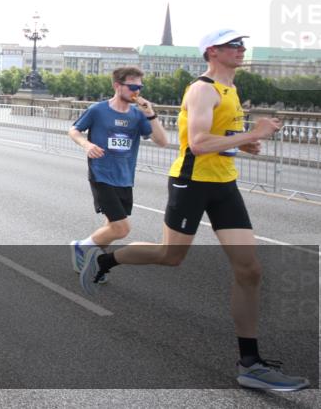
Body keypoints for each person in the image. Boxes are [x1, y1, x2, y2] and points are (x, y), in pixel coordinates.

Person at [79, 29, 308, 392]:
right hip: (191, 183)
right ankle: (105, 261)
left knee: (250, 269)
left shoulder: (231, 90)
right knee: (171, 256)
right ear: (213, 52)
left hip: (224, 184)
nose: (241, 49)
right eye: (234, 45)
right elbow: (198, 144)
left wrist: (241, 146)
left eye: (241, 44)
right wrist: (252, 134)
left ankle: (250, 363)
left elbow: (215, 137)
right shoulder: (202, 88)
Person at [67, 66, 168, 280]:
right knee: (121, 229)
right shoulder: (98, 110)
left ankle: (92, 260)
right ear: (117, 86)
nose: (137, 92)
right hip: (101, 173)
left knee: (111, 226)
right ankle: (82, 248)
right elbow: (74, 130)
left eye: (140, 87)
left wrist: (150, 114)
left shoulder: (138, 115)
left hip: (125, 177)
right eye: (132, 87)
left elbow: (163, 142)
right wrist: (86, 144)